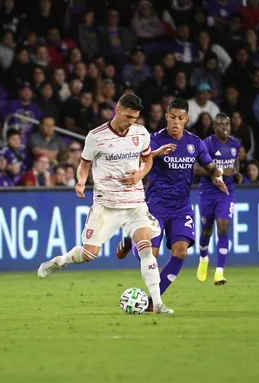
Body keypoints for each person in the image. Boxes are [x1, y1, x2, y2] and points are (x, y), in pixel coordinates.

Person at [37, 94, 175, 314]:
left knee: (147, 250)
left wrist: (139, 175)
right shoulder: (96, 137)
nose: (131, 121)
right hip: (107, 205)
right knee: (89, 255)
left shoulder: (140, 133)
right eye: (129, 116)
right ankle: (60, 261)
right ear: (117, 109)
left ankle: (157, 304)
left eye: (135, 117)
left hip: (135, 204)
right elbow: (84, 165)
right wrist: (81, 182)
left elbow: (147, 159)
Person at [114, 99, 226, 310]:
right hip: (155, 205)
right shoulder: (154, 140)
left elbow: (210, 166)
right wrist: (155, 154)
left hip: (181, 207)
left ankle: (152, 303)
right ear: (166, 116)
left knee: (181, 252)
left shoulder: (195, 143)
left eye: (180, 118)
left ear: (186, 119)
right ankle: (132, 239)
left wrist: (217, 177)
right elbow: (137, 162)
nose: (176, 122)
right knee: (151, 255)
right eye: (172, 117)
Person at [191, 113, 242, 285]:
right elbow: (196, 169)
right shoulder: (207, 144)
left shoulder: (235, 144)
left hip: (226, 193)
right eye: (220, 125)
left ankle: (219, 272)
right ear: (214, 127)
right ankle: (204, 257)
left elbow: (235, 165)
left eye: (226, 124)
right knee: (206, 230)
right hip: (207, 192)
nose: (224, 127)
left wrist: (236, 174)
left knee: (223, 226)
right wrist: (219, 170)